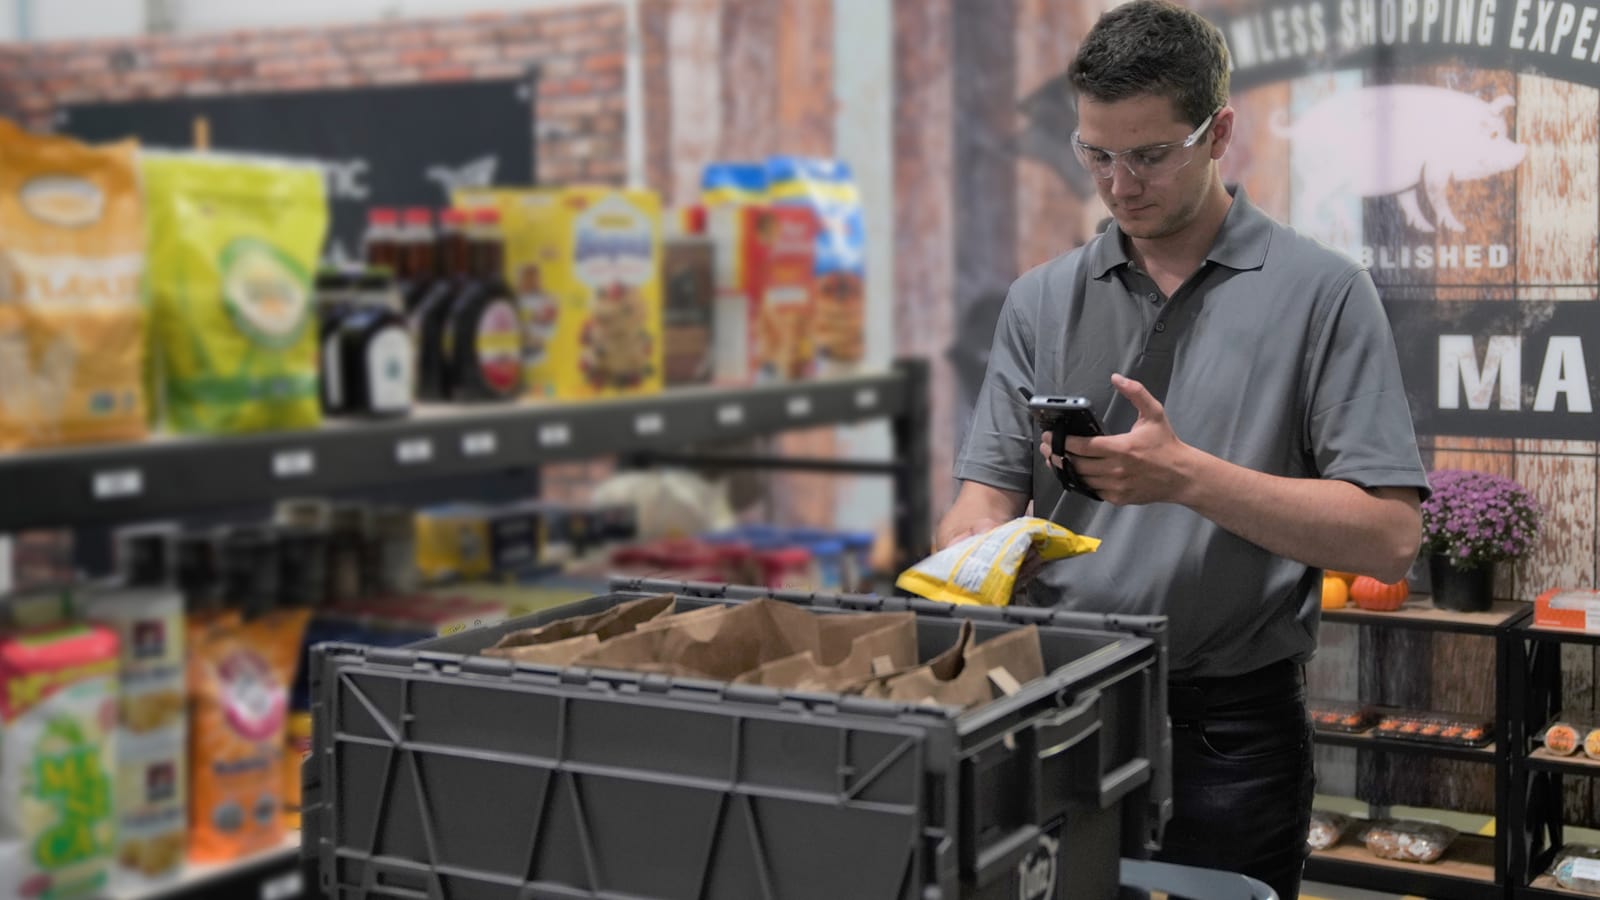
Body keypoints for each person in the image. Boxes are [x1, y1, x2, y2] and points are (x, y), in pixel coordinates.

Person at [936, 1, 1429, 895]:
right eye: (1096, 154)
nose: (1120, 185)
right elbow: (985, 489)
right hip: (1050, 702)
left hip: (1227, 731)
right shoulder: (1041, 300)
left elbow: (1388, 539)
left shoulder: (1322, 294)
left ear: (1219, 133)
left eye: (1150, 154)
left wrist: (1188, 479)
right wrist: (969, 545)